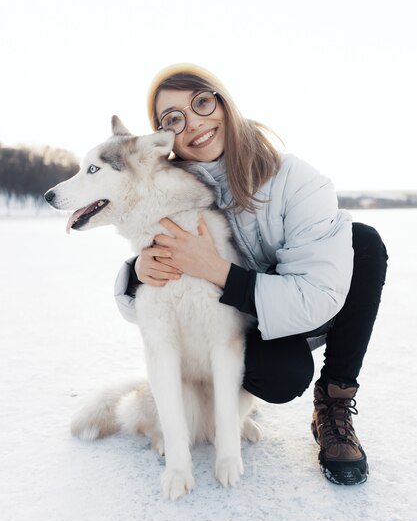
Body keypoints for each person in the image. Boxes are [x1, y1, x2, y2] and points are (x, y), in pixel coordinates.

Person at [114, 63, 388, 486]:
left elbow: (315, 296)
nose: (195, 123)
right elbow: (151, 295)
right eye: (173, 119)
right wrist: (138, 274)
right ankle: (201, 405)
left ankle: (334, 402)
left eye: (202, 102)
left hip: (291, 308)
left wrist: (214, 269)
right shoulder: (171, 189)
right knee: (281, 376)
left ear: (223, 102)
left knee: (363, 243)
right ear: (163, 138)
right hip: (234, 324)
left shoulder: (296, 180)